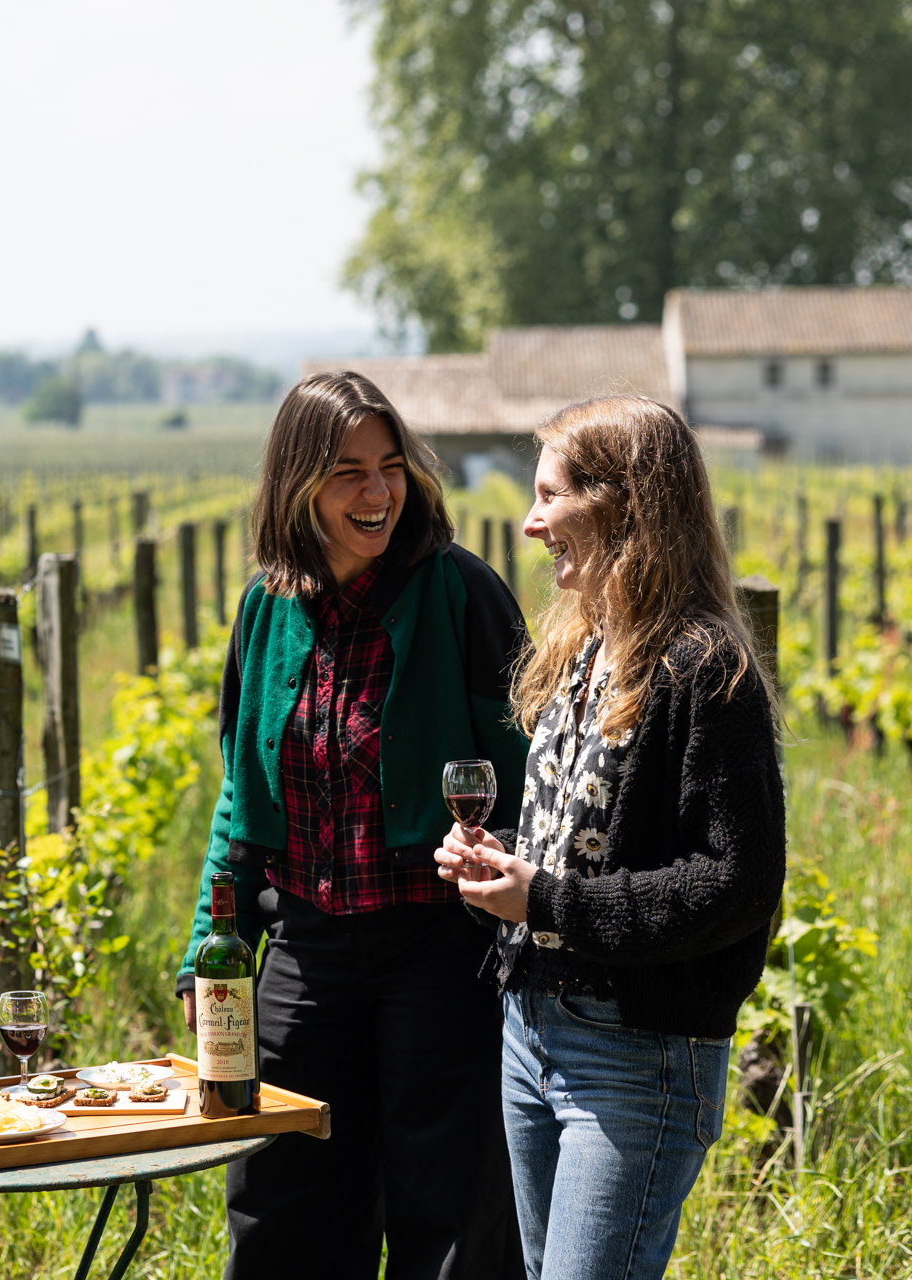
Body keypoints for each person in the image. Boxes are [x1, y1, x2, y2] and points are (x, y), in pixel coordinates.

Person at [175, 371, 531, 1279]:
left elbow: (532, 773)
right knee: (283, 1203)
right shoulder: (266, 608)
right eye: (347, 471)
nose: (378, 491)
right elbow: (240, 797)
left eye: (391, 466)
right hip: (306, 950)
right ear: (296, 483)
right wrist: (207, 949)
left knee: (449, 1214)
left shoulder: (461, 592)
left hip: (440, 948)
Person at [437, 395, 786, 1280]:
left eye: (550, 497)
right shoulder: (585, 650)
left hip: (636, 1054)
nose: (530, 523)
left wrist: (545, 900)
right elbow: (588, 842)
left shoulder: (706, 670)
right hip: (531, 1030)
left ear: (623, 507)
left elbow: (736, 883)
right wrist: (502, 870)